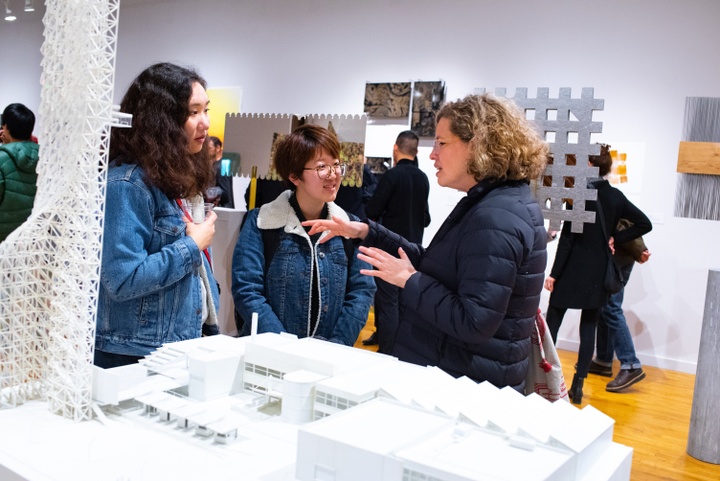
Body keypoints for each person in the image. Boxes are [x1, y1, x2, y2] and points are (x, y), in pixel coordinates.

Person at [304, 93, 548, 390]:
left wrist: (409, 280)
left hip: (463, 385)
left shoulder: (495, 217)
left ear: (478, 144)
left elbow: (474, 321)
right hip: (463, 373)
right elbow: (439, 265)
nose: (432, 154)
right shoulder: (494, 204)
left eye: (441, 143)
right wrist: (367, 232)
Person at [95, 62, 220, 369]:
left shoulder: (173, 179)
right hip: (133, 353)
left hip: (175, 342)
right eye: (193, 112)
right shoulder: (128, 185)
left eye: (206, 110)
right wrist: (191, 246)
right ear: (161, 120)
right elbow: (122, 280)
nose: (204, 122)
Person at [231, 124, 376, 345]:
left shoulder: (350, 227)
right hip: (271, 355)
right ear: (294, 176)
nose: (333, 174)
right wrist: (286, 347)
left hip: (329, 357)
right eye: (322, 167)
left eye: (336, 165)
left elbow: (361, 292)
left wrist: (337, 345)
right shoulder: (261, 222)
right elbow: (247, 291)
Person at [544, 144, 652, 404]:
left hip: (572, 271)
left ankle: (545, 379)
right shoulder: (615, 196)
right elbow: (644, 223)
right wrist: (616, 236)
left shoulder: (579, 196)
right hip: (598, 273)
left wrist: (554, 274)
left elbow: (568, 241)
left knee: (552, 325)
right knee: (588, 329)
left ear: (590, 165)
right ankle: (577, 387)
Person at [362, 130, 430, 352]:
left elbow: (372, 210)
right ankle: (390, 341)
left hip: (389, 247)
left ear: (395, 148)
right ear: (416, 151)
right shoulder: (423, 178)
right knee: (401, 300)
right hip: (414, 249)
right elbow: (426, 219)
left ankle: (387, 349)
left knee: (388, 299)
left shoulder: (391, 176)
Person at [592, 222, 652, 392]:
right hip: (618, 256)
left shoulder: (607, 196)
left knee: (611, 308)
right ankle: (603, 361)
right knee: (604, 307)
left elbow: (624, 223)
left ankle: (630, 364)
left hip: (618, 258)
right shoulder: (606, 196)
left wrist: (639, 250)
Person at [0, 103, 39, 243]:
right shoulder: (43, 157)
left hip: (3, 241)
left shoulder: (2, 159)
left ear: (6, 127)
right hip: (28, 240)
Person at [206, 136, 234, 208]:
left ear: (218, 148)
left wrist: (209, 192)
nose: (206, 151)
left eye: (209, 148)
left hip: (223, 209)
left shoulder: (223, 166)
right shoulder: (215, 165)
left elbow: (226, 193)